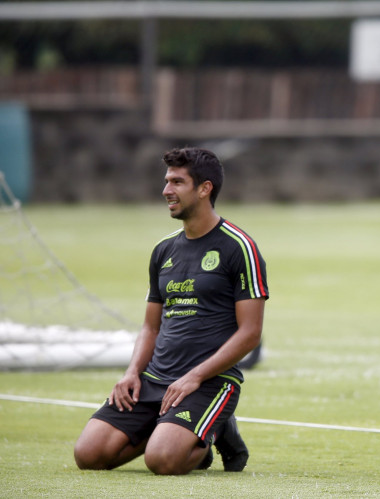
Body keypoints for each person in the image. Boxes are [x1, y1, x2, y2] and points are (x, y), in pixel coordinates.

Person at [73, 147, 268, 475]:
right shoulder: (163, 249)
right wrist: (132, 372)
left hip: (209, 382)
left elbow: (250, 334)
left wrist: (193, 377)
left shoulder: (239, 248)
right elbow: (150, 327)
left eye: (177, 182)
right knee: (88, 455)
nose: (166, 191)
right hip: (153, 380)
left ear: (204, 188)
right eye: (166, 181)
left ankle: (212, 431)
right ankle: (177, 429)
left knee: (162, 461)